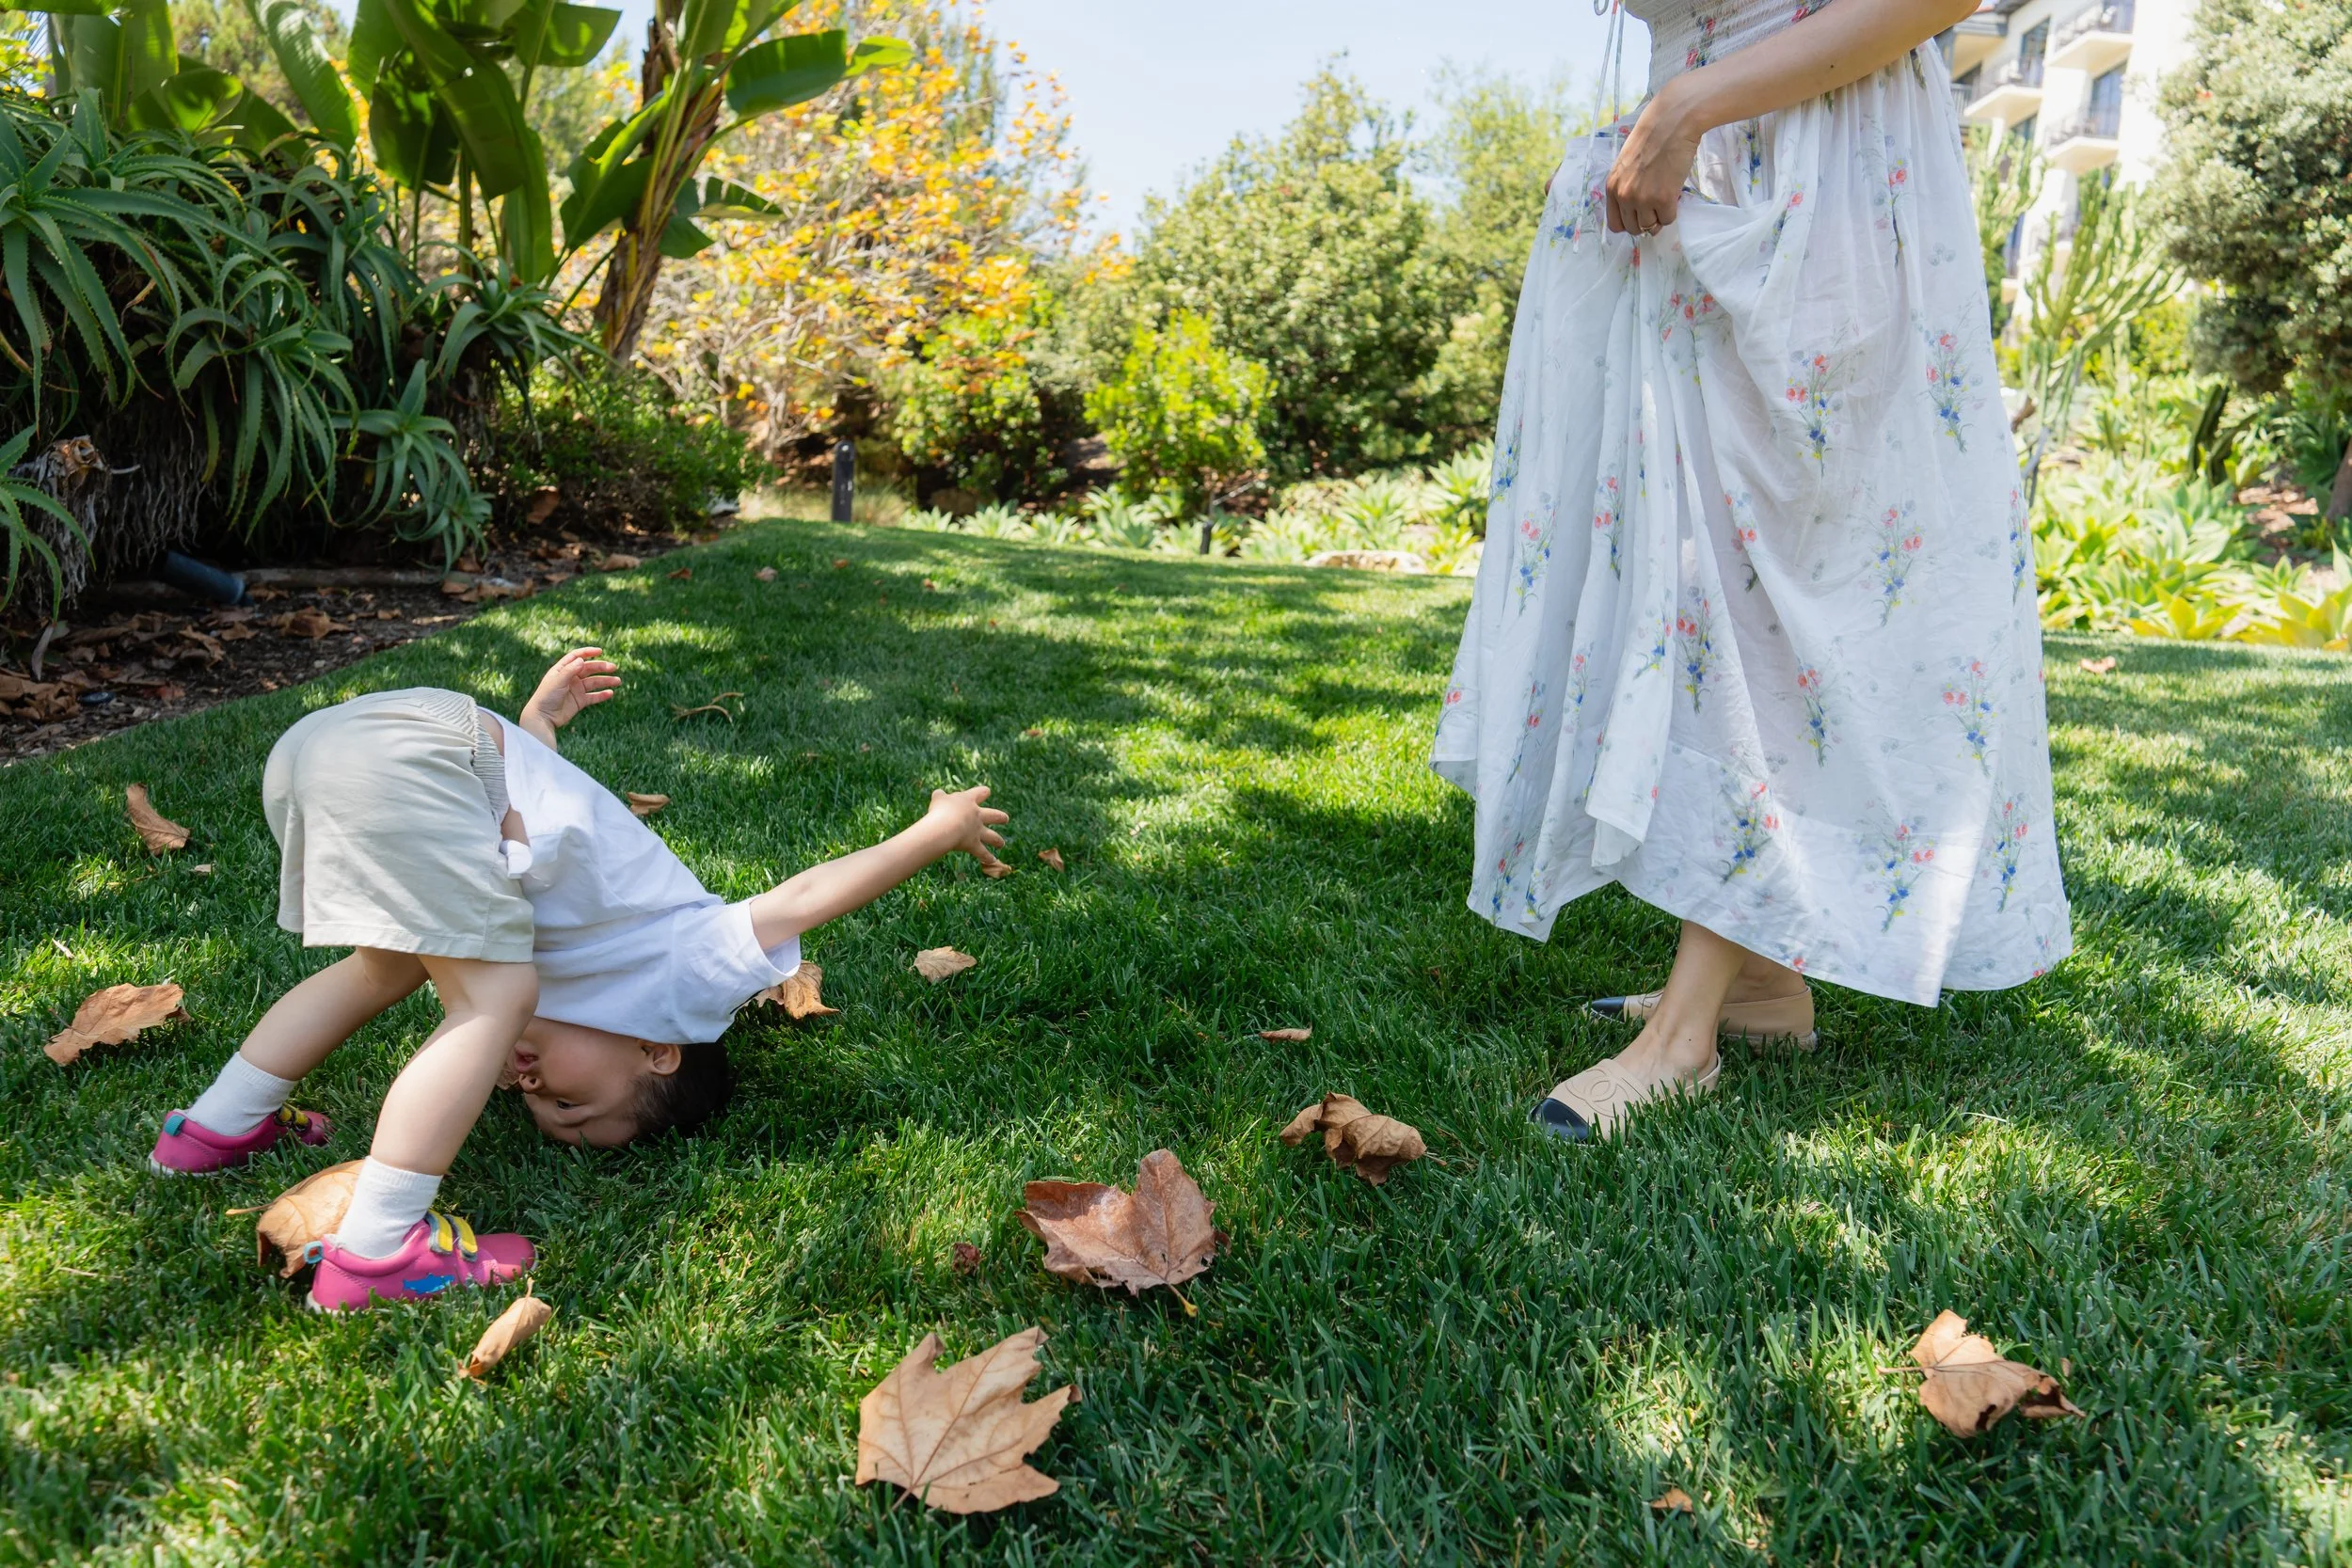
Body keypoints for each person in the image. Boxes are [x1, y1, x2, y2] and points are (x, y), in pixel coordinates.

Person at [1431, 0, 2072, 1140]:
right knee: (1693, 572)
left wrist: (1688, 104)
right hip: (1714, 172)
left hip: (1815, 169)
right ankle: (1766, 984)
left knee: (1767, 587)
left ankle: (1684, 1037)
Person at [151, 651, 1009, 1309]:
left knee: (386, 968)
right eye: (569, 1102)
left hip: (332, 744)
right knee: (493, 999)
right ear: (658, 1052)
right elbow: (804, 898)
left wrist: (535, 730)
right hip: (423, 756)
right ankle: (380, 1249)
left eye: (539, 1108)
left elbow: (547, 811)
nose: (528, 1087)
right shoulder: (686, 975)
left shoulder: (574, 957)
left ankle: (215, 1129)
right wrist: (932, 833)